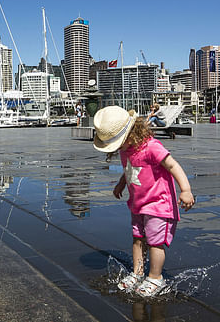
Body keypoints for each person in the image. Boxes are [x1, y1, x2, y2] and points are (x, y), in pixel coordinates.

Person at [93, 106, 195, 297]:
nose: (118, 148)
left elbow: (172, 165)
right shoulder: (127, 149)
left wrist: (186, 190)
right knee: (138, 238)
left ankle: (156, 278)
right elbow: (129, 169)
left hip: (159, 203)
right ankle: (138, 273)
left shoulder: (151, 146)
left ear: (131, 132)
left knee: (156, 242)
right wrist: (121, 184)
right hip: (138, 203)